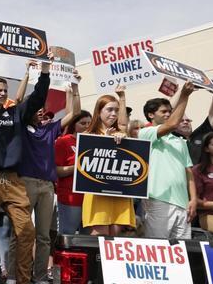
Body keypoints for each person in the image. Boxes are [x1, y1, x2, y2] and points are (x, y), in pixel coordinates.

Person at [0, 38, 51, 284]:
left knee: (26, 231)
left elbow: (37, 98)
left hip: (14, 179)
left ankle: (23, 280)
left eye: (5, 90)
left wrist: (44, 71)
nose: (3, 93)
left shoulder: (16, 112)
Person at [12, 70, 81, 284]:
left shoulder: (50, 129)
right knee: (21, 233)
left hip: (48, 187)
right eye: (36, 108)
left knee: (43, 236)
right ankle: (14, 277)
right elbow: (17, 101)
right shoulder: (20, 127)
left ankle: (40, 276)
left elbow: (74, 114)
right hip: (26, 184)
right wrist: (25, 74)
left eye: (43, 108)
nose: (40, 111)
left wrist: (75, 88)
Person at [138, 82, 197, 239]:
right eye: (164, 111)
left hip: (183, 203)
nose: (168, 114)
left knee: (182, 252)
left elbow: (188, 171)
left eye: (170, 112)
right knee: (158, 250)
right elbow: (172, 124)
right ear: (151, 115)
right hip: (158, 200)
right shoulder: (146, 133)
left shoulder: (180, 141)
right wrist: (184, 95)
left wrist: (193, 199)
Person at [82, 85, 135, 236]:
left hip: (119, 191)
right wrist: (104, 141)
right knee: (100, 236)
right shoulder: (88, 133)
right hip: (97, 192)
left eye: (116, 110)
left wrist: (122, 97)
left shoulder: (121, 133)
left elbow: (124, 126)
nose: (114, 114)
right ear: (99, 112)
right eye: (109, 110)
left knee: (115, 237)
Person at [55, 110, 92, 234]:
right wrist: (78, 166)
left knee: (88, 239)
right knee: (68, 234)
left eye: (89, 123)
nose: (87, 126)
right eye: (83, 123)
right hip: (70, 197)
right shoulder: (64, 141)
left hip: (91, 199)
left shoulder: (96, 142)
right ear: (73, 124)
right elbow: (56, 171)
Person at [173, 77, 213, 163]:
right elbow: (169, 110)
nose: (185, 122)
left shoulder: (200, 134)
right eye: (181, 121)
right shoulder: (168, 137)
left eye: (188, 120)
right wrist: (182, 91)